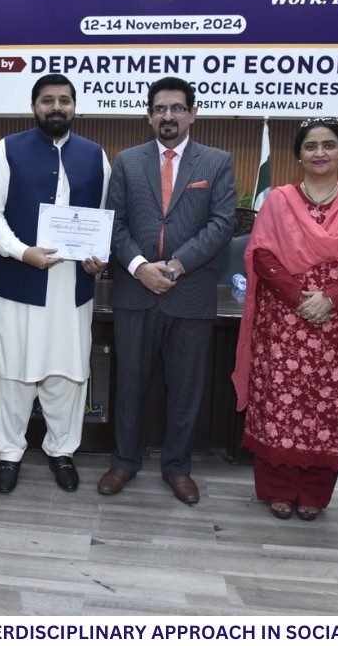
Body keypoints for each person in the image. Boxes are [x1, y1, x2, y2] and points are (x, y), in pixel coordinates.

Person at [232, 118, 338, 521]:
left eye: (328, 145)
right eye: (311, 146)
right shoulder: (280, 200)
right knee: (278, 403)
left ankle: (314, 493)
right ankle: (278, 488)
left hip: (336, 325)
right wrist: (298, 297)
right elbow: (262, 254)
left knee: (326, 406)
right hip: (283, 322)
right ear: (299, 155)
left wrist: (333, 298)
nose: (319, 153)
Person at [99, 76, 236, 503]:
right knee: (129, 384)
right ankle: (124, 461)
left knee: (186, 389)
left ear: (193, 113)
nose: (168, 116)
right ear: (149, 116)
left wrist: (175, 266)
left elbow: (222, 225)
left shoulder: (216, 162)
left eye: (177, 108)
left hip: (190, 293)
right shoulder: (127, 162)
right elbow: (115, 224)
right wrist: (140, 268)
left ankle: (177, 467)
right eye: (160, 109)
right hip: (134, 292)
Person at [0, 74, 110, 493]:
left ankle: (62, 450)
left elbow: (105, 217)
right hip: (18, 280)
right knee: (12, 371)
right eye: (48, 100)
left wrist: (99, 257)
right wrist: (20, 251)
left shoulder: (95, 155)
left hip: (72, 287)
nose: (56, 107)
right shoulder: (8, 149)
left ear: (75, 107)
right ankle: (9, 452)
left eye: (64, 100)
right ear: (34, 106)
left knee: (68, 373)